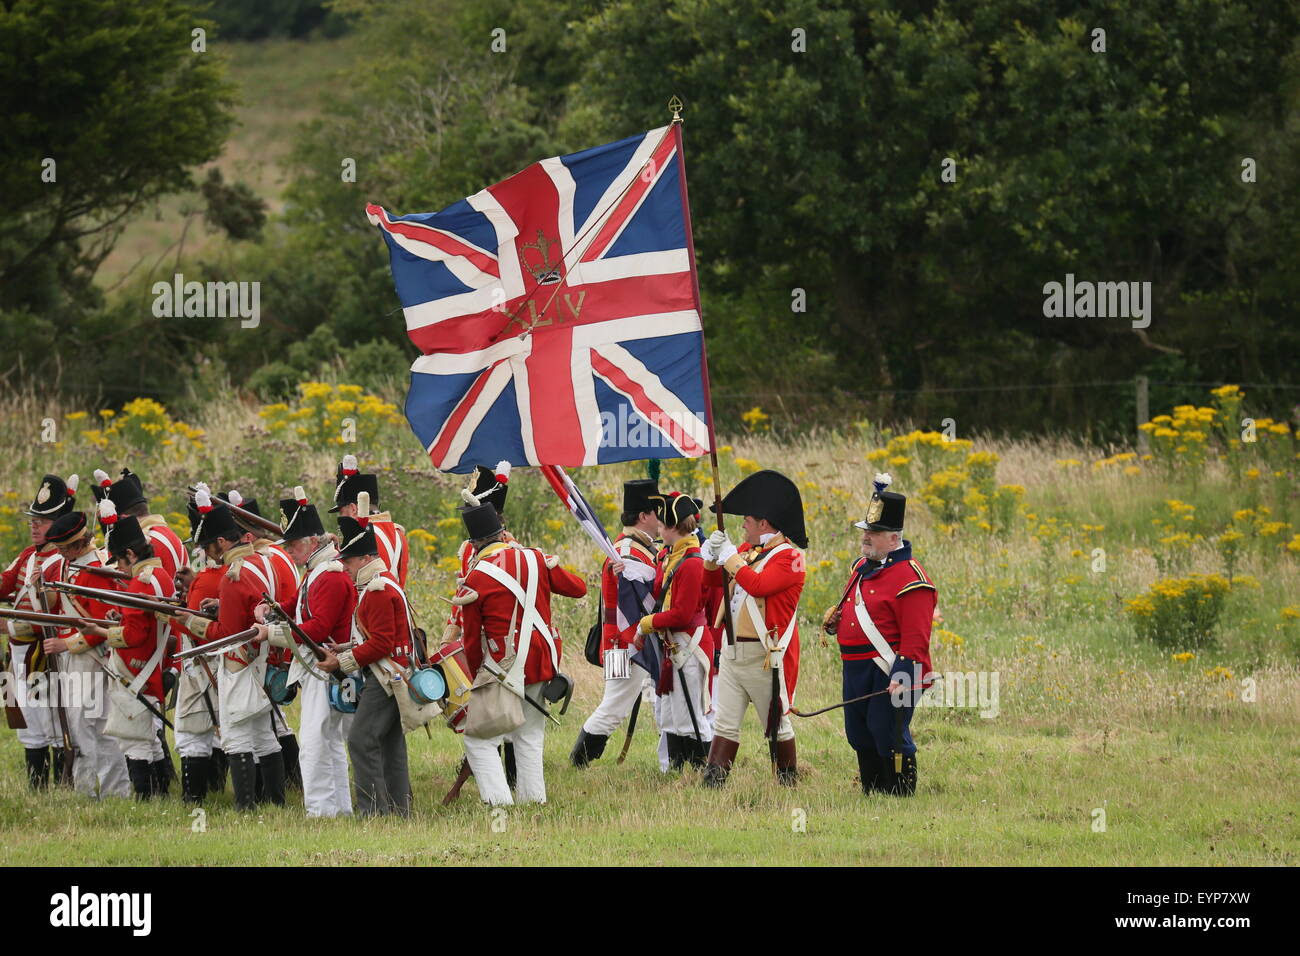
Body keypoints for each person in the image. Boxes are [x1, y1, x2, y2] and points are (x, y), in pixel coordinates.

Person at [454, 501, 586, 805]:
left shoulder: (476, 577)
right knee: (529, 736)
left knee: (480, 741)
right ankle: (533, 803)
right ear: (502, 533)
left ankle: (500, 805)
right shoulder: (536, 558)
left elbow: (472, 640)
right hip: (542, 660)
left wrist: (478, 677)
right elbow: (578, 588)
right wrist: (551, 565)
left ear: (474, 544)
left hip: (503, 664)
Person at [823, 475, 936, 796]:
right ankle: (872, 792)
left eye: (874, 533)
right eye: (865, 531)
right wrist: (836, 623)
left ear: (894, 537)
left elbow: (916, 637)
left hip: (893, 669)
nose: (866, 537)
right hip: (855, 667)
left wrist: (902, 674)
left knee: (888, 733)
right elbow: (858, 611)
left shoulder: (913, 578)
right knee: (858, 733)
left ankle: (899, 792)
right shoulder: (861, 567)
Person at [179, 491, 287, 811]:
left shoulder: (233, 575)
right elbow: (252, 606)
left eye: (208, 547)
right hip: (264, 659)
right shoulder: (259, 562)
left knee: (236, 736)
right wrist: (221, 606)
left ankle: (246, 809)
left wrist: (192, 623)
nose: (208, 555)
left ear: (223, 543)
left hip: (240, 662)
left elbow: (226, 635)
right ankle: (276, 803)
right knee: (263, 735)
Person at [699, 469, 807, 787]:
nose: (742, 524)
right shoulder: (748, 553)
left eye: (747, 519)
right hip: (732, 651)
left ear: (764, 523)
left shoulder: (790, 558)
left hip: (763, 654)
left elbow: (758, 585)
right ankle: (713, 781)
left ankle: (787, 780)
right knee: (725, 723)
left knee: (776, 725)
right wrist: (711, 557)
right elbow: (710, 583)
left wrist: (730, 557)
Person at [259, 487, 357, 817]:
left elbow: (316, 628)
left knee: (316, 743)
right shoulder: (317, 569)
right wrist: (268, 608)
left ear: (313, 542)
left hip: (326, 665)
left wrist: (270, 633)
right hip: (318, 666)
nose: (290, 551)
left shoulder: (328, 573)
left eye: (294, 544)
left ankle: (320, 810)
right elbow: (297, 605)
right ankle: (335, 808)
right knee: (326, 741)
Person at [316, 506, 415, 817]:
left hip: (386, 676)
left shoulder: (377, 590)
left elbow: (383, 643)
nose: (343, 565)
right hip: (390, 672)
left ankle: (373, 812)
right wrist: (347, 646)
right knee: (389, 744)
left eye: (348, 559)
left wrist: (342, 662)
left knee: (360, 740)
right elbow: (378, 636)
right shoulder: (377, 584)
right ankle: (400, 811)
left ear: (365, 559)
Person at [77, 499, 175, 799]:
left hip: (138, 667)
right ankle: (160, 796)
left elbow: (134, 635)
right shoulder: (159, 576)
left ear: (130, 554)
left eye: (120, 560)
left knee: (135, 742)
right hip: (150, 666)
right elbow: (143, 622)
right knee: (149, 741)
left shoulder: (142, 584)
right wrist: (119, 619)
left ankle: (145, 802)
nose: (120, 567)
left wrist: (101, 631)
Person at [40, 509, 131, 799]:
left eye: (65, 548)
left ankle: (114, 792)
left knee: (96, 725)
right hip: (75, 659)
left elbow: (101, 625)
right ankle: (84, 789)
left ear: (79, 543)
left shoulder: (96, 571)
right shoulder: (73, 565)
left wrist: (66, 645)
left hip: (91, 658)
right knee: (80, 725)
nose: (62, 553)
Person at [570, 477, 659, 768]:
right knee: (614, 707)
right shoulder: (627, 552)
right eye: (657, 512)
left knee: (651, 702)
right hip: (623, 645)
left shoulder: (635, 547)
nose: (662, 519)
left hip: (625, 642)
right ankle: (579, 761)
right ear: (644, 516)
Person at [1, 473, 77, 788]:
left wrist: (10, 623)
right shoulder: (28, 556)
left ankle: (60, 785)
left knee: (50, 721)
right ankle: (37, 788)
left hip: (40, 657)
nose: (34, 526)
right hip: (19, 654)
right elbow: (5, 584)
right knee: (29, 724)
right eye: (33, 520)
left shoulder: (61, 562)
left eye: (42, 521)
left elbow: (56, 616)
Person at [638, 491, 713, 770]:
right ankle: (677, 769)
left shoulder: (692, 562)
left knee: (691, 713)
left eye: (661, 525)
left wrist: (647, 624)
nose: (658, 529)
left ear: (672, 528)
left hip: (688, 643)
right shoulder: (673, 556)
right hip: (675, 643)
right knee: (671, 712)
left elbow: (682, 613)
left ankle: (705, 770)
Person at [171, 500, 226, 804]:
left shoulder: (208, 580)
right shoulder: (211, 577)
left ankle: (195, 800)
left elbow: (194, 628)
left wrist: (171, 617)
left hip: (204, 663)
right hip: (216, 663)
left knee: (192, 734)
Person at [330, 455, 409, 588]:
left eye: (342, 512)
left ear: (353, 509)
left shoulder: (361, 536)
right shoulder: (398, 534)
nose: (341, 519)